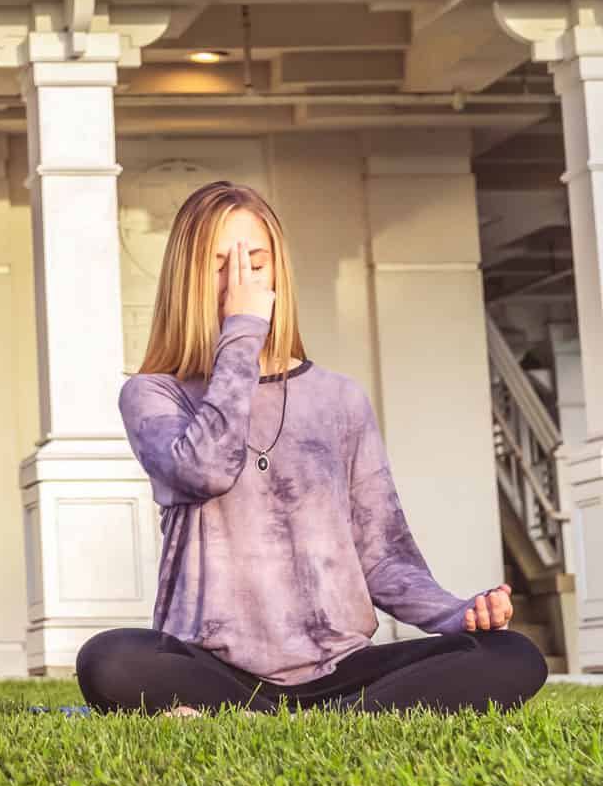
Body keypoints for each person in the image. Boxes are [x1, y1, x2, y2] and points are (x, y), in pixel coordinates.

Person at [77, 181, 547, 714]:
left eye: (256, 262)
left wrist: (457, 614)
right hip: (212, 666)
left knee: (515, 657)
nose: (240, 281)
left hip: (339, 667)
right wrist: (243, 332)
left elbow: (384, 556)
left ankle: (285, 721)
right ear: (188, 278)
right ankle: (311, 718)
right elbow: (204, 469)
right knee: (109, 660)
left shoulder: (339, 398)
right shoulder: (153, 394)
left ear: (278, 272)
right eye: (220, 265)